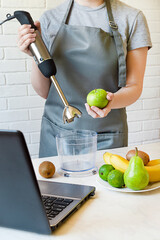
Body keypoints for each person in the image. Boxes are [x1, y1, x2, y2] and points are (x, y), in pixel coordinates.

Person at [17, 0, 152, 158]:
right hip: (56, 137)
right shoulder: (50, 18)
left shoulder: (131, 18)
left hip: (107, 139)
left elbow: (134, 86)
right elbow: (44, 91)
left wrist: (112, 101)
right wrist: (35, 55)